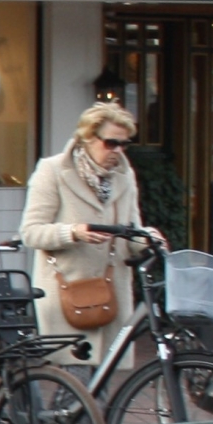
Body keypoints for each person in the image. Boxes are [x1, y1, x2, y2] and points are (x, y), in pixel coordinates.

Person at [21, 100, 148, 357]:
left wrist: (147, 238)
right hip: (68, 296)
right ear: (88, 138)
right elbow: (31, 232)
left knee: (106, 388)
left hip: (112, 294)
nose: (118, 151)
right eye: (111, 142)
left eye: (124, 144)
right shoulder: (53, 170)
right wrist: (73, 232)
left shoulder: (125, 176)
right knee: (73, 383)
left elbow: (132, 230)